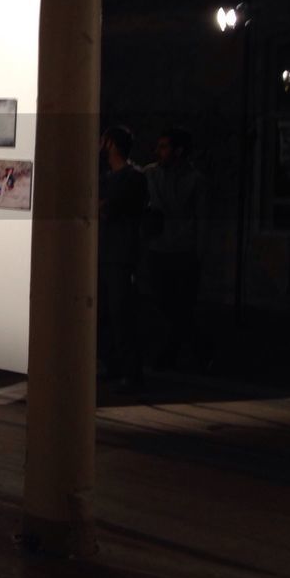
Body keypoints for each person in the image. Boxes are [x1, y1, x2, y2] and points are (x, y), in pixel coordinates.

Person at [144, 126, 207, 370]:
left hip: (182, 250)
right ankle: (193, 348)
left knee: (180, 305)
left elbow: (202, 218)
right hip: (159, 248)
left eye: (164, 146)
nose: (158, 151)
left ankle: (173, 353)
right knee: (166, 304)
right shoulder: (150, 173)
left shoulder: (195, 180)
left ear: (178, 151)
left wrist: (199, 253)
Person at [98, 126, 148, 390]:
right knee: (105, 313)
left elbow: (106, 208)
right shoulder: (107, 177)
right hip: (104, 253)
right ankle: (113, 364)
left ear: (113, 145)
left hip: (121, 254)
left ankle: (131, 371)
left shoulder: (133, 178)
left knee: (121, 314)